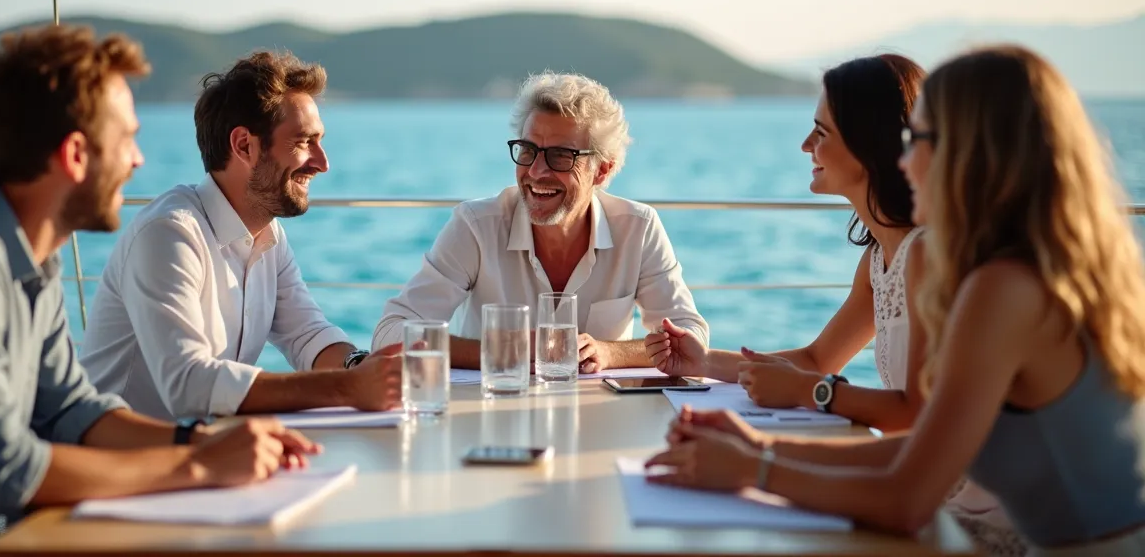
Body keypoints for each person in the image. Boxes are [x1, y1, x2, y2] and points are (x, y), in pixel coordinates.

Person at [0, 25, 319, 557]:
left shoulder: (28, 254)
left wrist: (201, 441)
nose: (138, 161)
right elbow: (1, 471)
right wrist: (198, 466)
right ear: (75, 155)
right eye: (127, 141)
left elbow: (71, 411)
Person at [646, 45, 1145, 555]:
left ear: (969, 152)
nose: (905, 160)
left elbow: (909, 495)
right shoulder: (1023, 272)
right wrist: (757, 448)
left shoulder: (1001, 288)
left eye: (918, 139)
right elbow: (927, 448)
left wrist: (756, 468)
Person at [80, 50, 400, 422]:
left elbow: (306, 335)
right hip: (124, 459)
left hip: (201, 450)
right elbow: (188, 385)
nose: (322, 162)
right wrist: (347, 389)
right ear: (244, 146)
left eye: (320, 141)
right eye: (303, 142)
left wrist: (363, 368)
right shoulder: (169, 235)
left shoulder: (267, 234)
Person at [373, 72, 707, 371]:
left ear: (602, 170)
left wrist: (609, 353)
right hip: (487, 415)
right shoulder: (476, 225)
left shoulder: (638, 227)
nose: (536, 172)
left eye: (561, 156)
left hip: (598, 422)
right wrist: (506, 348)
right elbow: (390, 335)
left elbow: (689, 338)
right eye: (528, 151)